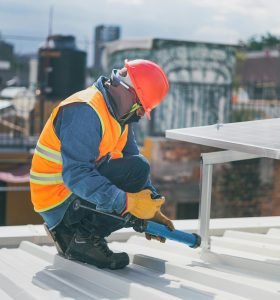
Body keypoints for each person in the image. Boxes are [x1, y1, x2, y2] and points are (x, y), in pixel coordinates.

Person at [30, 59, 175, 270]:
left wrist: (151, 208)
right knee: (134, 178)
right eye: (141, 106)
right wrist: (128, 203)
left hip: (73, 195)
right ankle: (81, 239)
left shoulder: (120, 117)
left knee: (136, 171)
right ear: (125, 89)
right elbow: (77, 175)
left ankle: (81, 235)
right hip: (58, 201)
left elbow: (134, 171)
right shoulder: (85, 110)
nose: (141, 114)